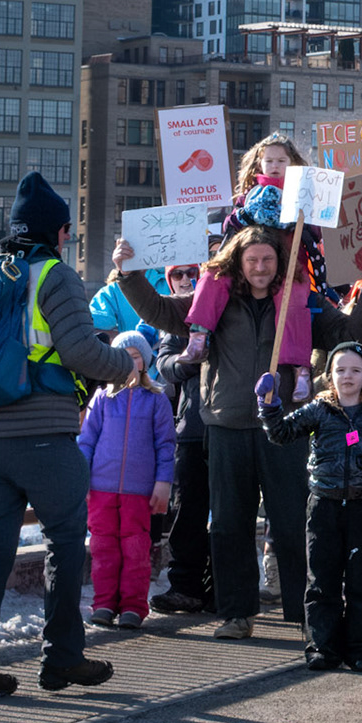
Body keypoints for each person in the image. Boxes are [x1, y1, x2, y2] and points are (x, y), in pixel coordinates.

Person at [115, 226, 362, 640]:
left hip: (284, 426)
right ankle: (237, 613)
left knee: (293, 521)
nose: (260, 268)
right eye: (252, 260)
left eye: (268, 260)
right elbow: (160, 313)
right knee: (227, 524)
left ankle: (304, 613)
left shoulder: (303, 300)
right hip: (225, 423)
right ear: (238, 262)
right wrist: (128, 275)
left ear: (280, 263)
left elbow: (347, 337)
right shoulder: (215, 299)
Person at [0, 173, 150, 699]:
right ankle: (62, 658)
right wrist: (123, 364)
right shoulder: (54, 276)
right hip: (41, 432)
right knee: (64, 540)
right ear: (59, 232)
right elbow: (83, 354)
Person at [260, 341, 362, 670]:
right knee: (322, 581)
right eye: (340, 370)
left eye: (355, 370)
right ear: (329, 376)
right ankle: (323, 647)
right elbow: (281, 433)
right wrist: (269, 405)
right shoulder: (319, 409)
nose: (347, 376)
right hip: (323, 506)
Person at [184, 135, 333, 398]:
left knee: (295, 302)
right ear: (259, 165)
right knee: (213, 275)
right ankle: (198, 336)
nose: (275, 165)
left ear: (292, 163)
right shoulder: (247, 197)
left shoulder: (304, 195)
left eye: (281, 160)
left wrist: (305, 219)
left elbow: (316, 232)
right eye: (269, 160)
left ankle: (300, 371)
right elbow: (230, 227)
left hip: (289, 264)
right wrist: (242, 216)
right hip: (249, 262)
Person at [78, 331, 175, 629]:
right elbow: (87, 441)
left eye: (134, 357)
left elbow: (166, 445)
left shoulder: (157, 399)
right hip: (101, 489)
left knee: (135, 550)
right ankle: (104, 602)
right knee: (103, 548)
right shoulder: (103, 399)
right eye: (121, 358)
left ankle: (133, 606)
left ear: (145, 362)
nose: (129, 363)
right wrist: (82, 478)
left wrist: (163, 482)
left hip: (139, 491)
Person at [152, 260, 216, 615]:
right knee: (187, 510)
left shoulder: (222, 301)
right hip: (191, 427)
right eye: (178, 274)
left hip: (228, 425)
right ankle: (185, 587)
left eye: (194, 273)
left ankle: (222, 588)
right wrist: (186, 362)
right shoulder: (175, 315)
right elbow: (163, 362)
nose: (186, 280)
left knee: (227, 512)